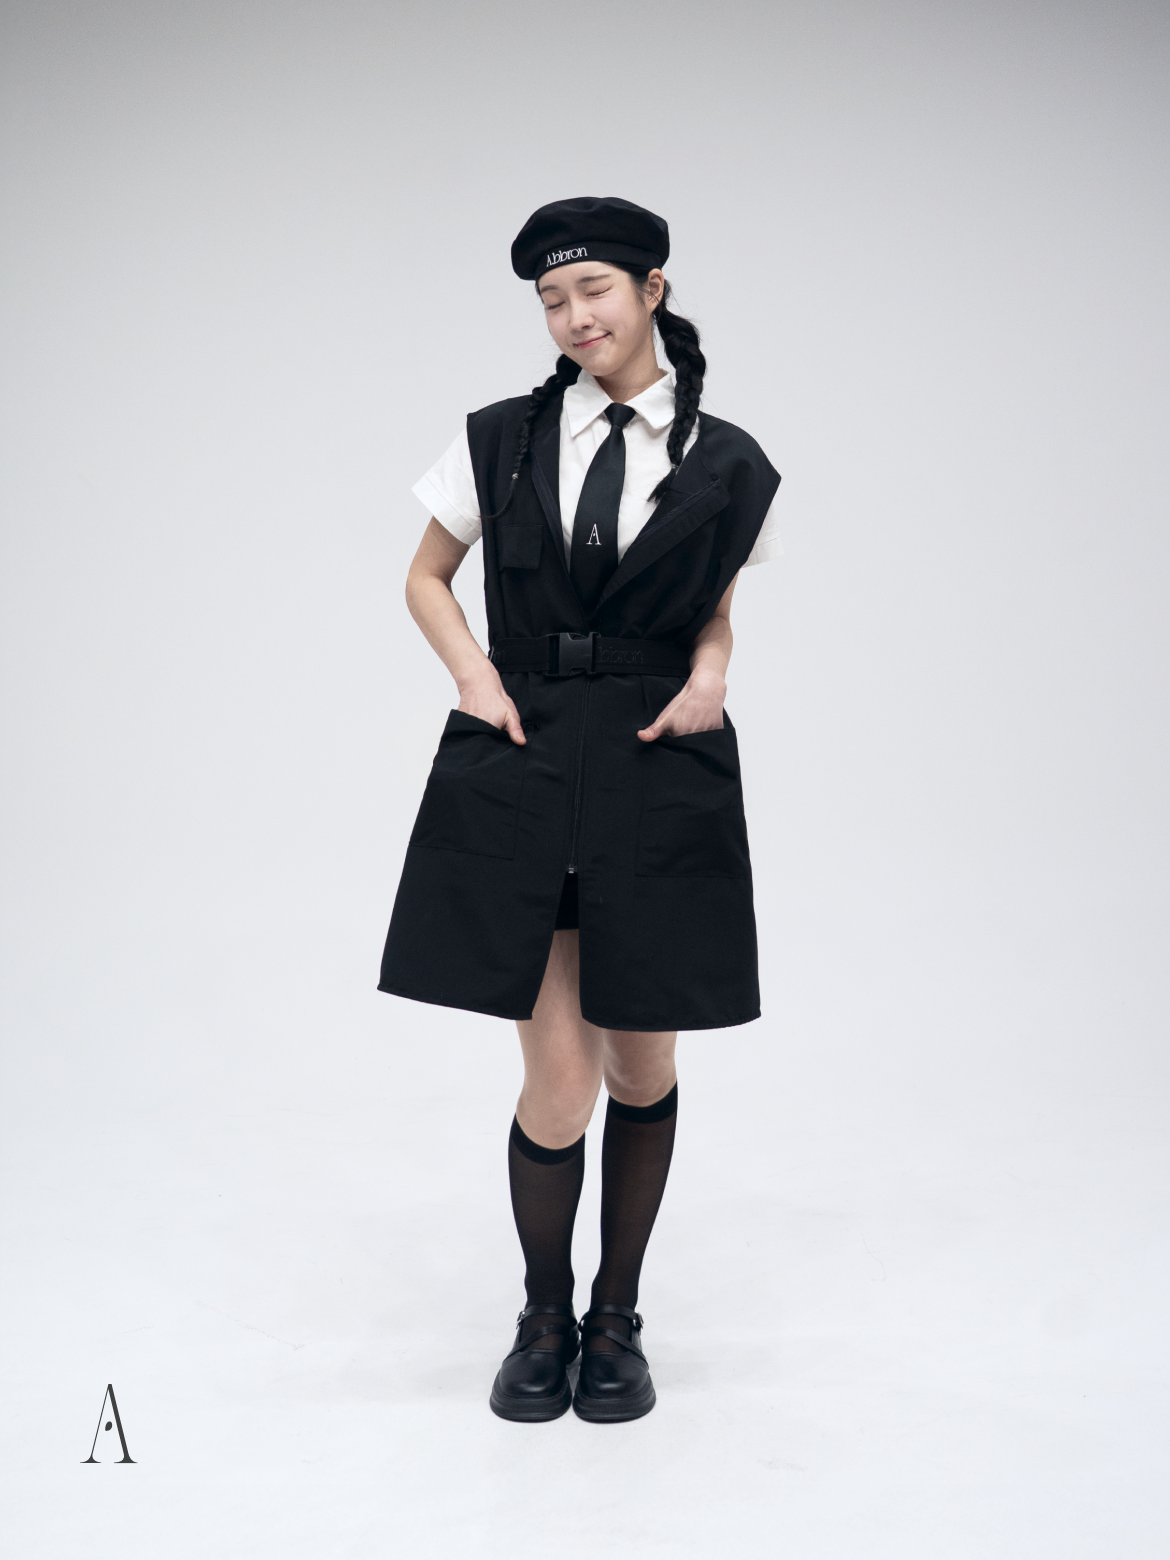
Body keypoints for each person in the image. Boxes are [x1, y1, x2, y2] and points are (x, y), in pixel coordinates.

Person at [379, 196, 781, 1423]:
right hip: (528, 753)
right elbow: (426, 576)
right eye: (552, 300)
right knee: (559, 1081)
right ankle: (543, 1315)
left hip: (658, 763)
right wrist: (473, 674)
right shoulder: (500, 440)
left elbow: (715, 608)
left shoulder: (730, 462)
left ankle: (618, 1317)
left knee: (643, 1064)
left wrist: (714, 673)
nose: (572, 317)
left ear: (652, 290)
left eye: (593, 290)